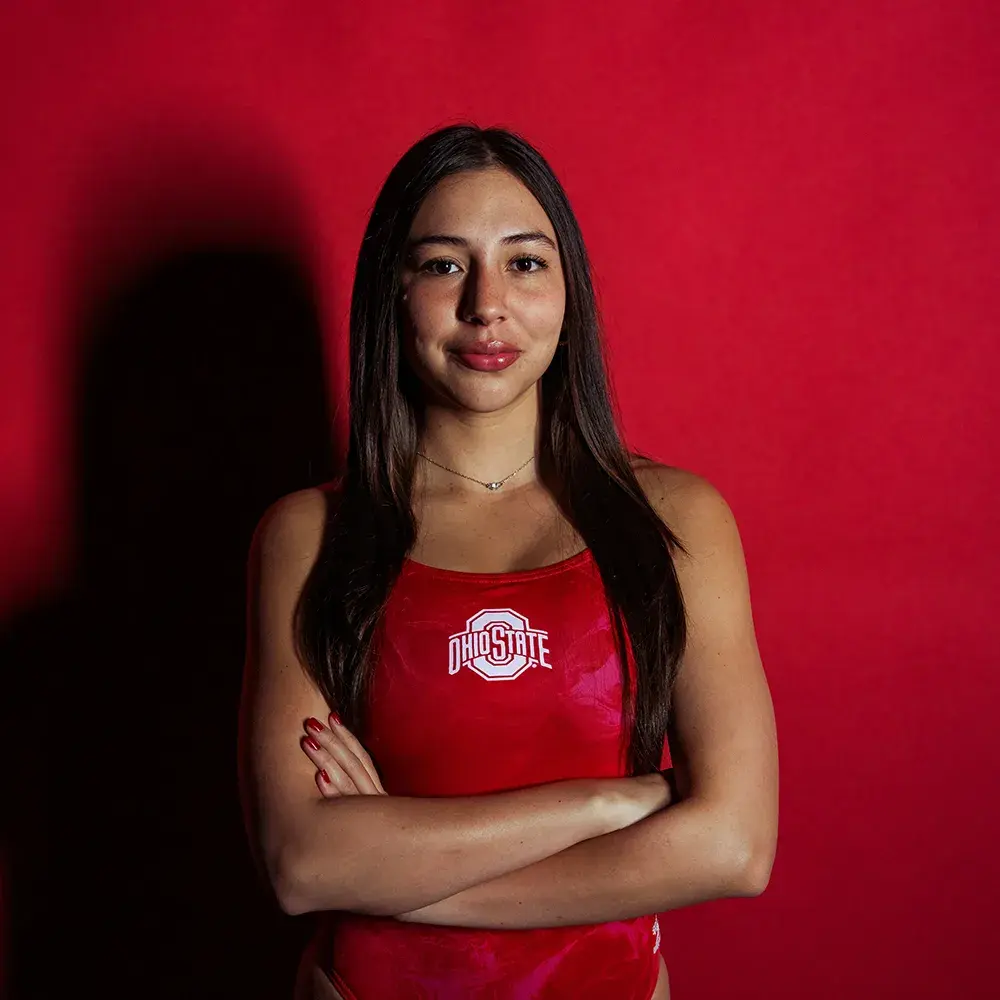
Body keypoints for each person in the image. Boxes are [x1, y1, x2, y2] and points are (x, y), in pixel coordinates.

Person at [238, 124, 779, 1000]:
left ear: (571, 293)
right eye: (443, 264)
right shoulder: (310, 535)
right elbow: (304, 863)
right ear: (393, 291)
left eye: (525, 263)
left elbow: (735, 847)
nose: (486, 304)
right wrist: (611, 804)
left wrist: (398, 877)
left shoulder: (675, 520)